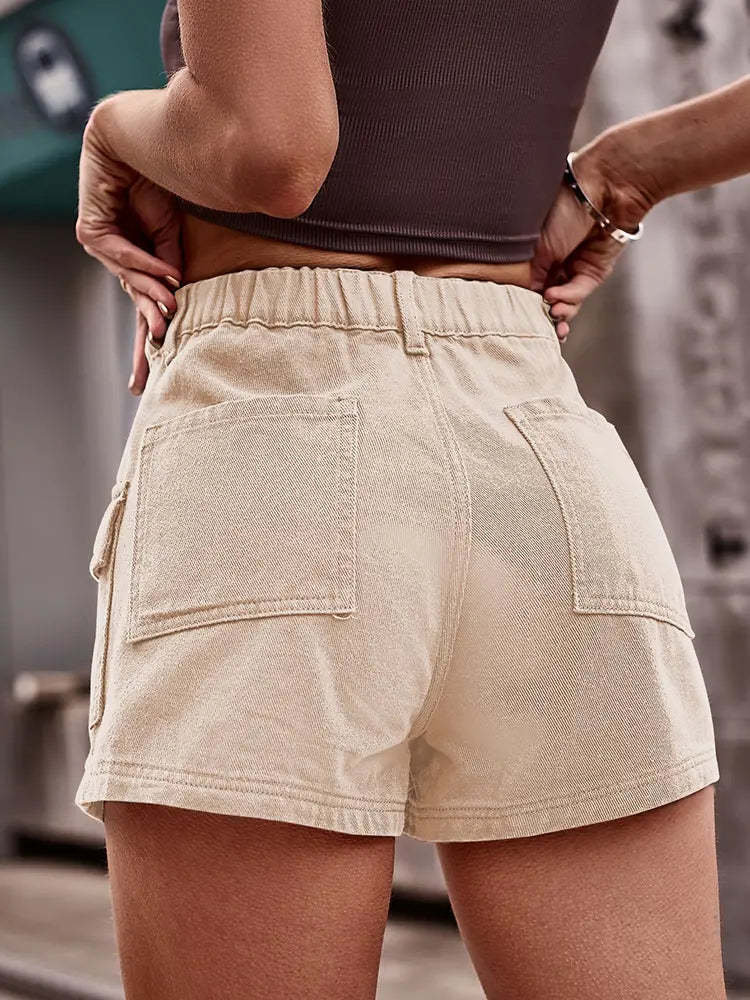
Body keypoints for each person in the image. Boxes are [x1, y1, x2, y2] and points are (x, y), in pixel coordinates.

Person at [72, 1, 745, 997]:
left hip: (274, 437)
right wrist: (630, 170)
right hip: (537, 438)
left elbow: (269, 149)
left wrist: (110, 130)